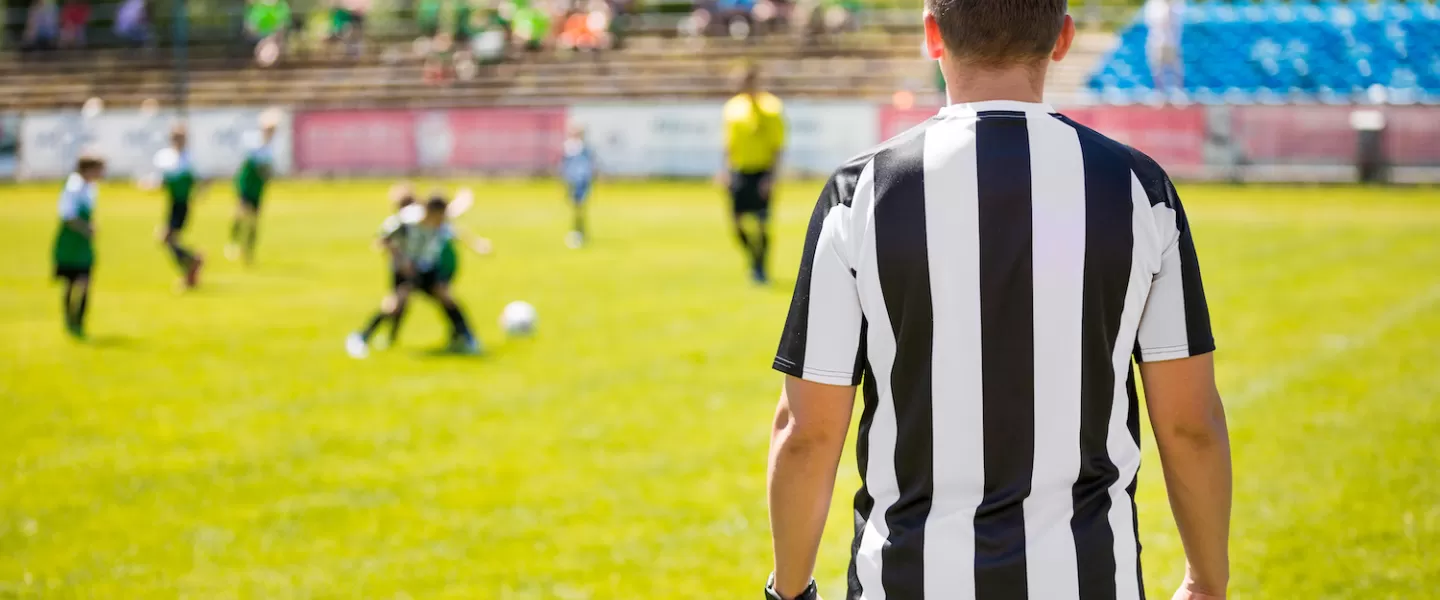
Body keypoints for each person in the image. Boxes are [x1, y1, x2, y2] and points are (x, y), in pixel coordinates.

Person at [764, 0, 1231, 599]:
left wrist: (791, 590)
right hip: (1086, 580)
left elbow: (807, 431)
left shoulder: (860, 194)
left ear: (932, 36)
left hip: (907, 579)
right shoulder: (1140, 190)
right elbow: (1190, 423)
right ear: (1062, 39)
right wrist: (1207, 582)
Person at [346, 192, 489, 358]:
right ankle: (361, 337)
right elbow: (382, 241)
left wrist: (478, 245)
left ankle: (468, 338)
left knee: (446, 296)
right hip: (406, 268)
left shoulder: (440, 222)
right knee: (395, 304)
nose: (442, 222)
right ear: (429, 212)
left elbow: (456, 231)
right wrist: (401, 260)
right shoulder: (407, 220)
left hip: (428, 266)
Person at [720, 63, 784, 284]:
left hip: (761, 172)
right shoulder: (732, 108)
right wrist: (725, 171)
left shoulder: (771, 107)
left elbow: (778, 147)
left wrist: (771, 177)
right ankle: (752, 258)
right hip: (739, 170)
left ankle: (761, 267)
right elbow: (728, 144)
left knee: (761, 223)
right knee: (736, 222)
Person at [52, 153, 105, 338]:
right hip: (71, 242)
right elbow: (68, 216)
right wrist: (86, 229)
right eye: (98, 169)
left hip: (82, 243)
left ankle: (79, 320)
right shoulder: (72, 187)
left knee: (84, 280)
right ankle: (70, 319)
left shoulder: (91, 187)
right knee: (70, 282)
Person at [151, 124, 205, 289]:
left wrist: (198, 191)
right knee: (168, 239)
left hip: (181, 205)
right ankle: (191, 267)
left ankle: (192, 263)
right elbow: (165, 181)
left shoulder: (189, 159)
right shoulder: (167, 157)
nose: (179, 141)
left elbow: (198, 181)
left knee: (165, 238)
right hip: (173, 203)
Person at [227, 112, 279, 265]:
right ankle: (234, 240)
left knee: (254, 222)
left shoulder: (270, 148)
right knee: (240, 214)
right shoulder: (253, 142)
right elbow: (247, 165)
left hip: (258, 189)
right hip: (246, 186)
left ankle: (248, 251)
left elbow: (268, 173)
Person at [559, 124, 596, 248]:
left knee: (580, 207)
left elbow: (588, 166)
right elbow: (564, 166)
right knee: (576, 208)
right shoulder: (567, 147)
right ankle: (577, 231)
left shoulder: (584, 148)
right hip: (572, 181)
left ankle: (580, 232)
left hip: (582, 181)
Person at [1145, 0, 1185, 98]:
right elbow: (1152, 22)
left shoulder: (1177, 4)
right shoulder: (1153, 4)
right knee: (1157, 68)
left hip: (1172, 42)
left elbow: (1178, 21)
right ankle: (1159, 92)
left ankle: (1178, 92)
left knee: (1175, 68)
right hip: (1156, 42)